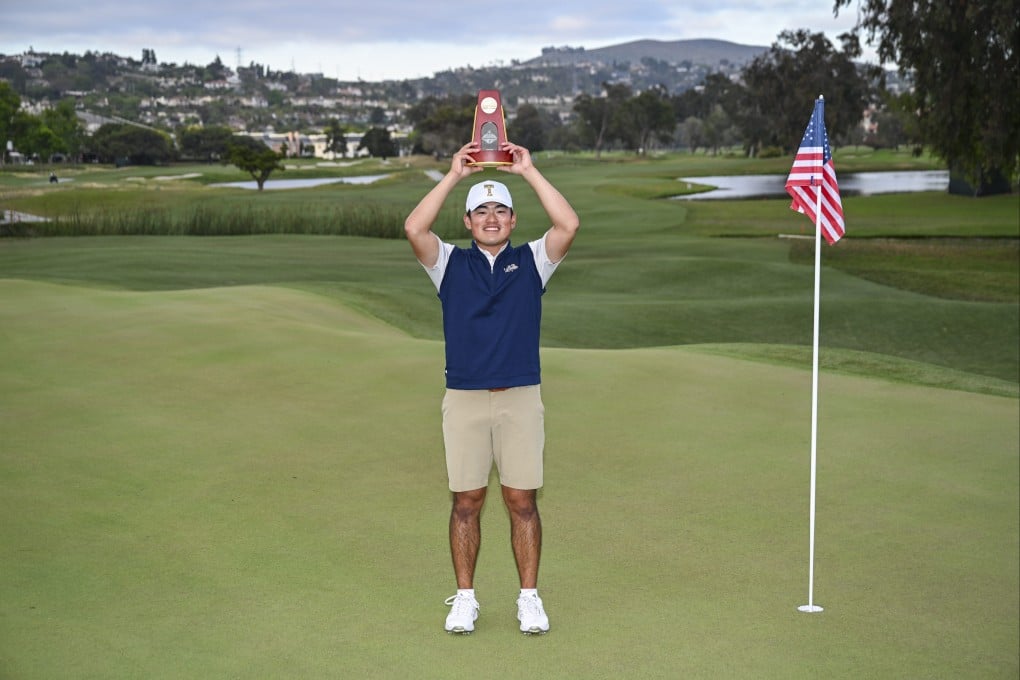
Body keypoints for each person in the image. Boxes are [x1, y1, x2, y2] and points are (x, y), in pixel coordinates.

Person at [404, 140, 580, 635]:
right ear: (467, 221)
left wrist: (528, 170)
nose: (491, 218)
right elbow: (414, 228)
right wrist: (453, 176)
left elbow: (568, 225)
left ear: (512, 219)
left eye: (500, 210)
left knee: (522, 501)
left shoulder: (533, 261)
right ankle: (465, 599)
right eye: (480, 211)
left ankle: (529, 598)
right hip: (463, 397)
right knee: (467, 502)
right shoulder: (447, 265)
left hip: (520, 397)